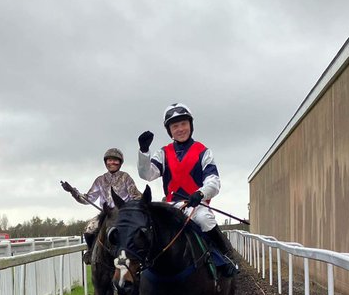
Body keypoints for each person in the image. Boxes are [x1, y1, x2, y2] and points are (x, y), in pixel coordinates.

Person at [137, 103, 237, 273]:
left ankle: (226, 257)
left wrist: (200, 193)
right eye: (175, 126)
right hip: (171, 206)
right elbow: (147, 174)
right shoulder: (163, 153)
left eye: (183, 124)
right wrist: (144, 151)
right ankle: (140, 268)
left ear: (190, 125)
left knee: (206, 219)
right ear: (170, 131)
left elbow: (213, 181)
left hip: (196, 205)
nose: (180, 129)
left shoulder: (203, 151)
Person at [61, 147, 141, 262]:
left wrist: (142, 202)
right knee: (89, 229)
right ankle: (90, 252)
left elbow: (135, 195)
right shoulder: (100, 180)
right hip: (106, 214)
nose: (112, 163)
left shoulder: (126, 177)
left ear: (120, 163)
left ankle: (138, 258)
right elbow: (87, 199)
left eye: (115, 160)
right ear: (105, 162)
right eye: (109, 160)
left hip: (123, 214)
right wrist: (73, 192)